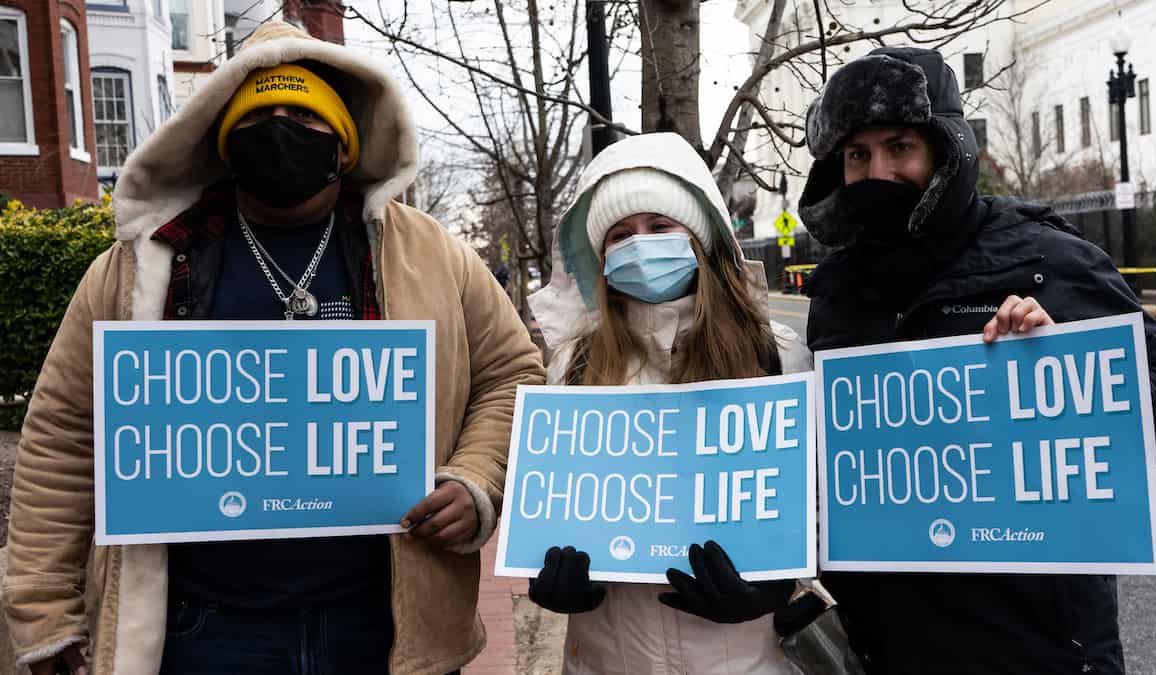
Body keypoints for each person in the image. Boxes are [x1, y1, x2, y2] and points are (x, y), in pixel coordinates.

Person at [2, 21, 544, 675]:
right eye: (260, 114)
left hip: (384, 624)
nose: (281, 128)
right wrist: (45, 614)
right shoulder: (140, 267)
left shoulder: (432, 253)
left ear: (344, 145)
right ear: (225, 141)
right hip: (202, 629)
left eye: (304, 115)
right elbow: (63, 436)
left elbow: (512, 372)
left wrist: (475, 478)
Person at [797, 46, 1156, 674]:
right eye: (858, 155)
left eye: (899, 147)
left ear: (944, 151)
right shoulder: (838, 292)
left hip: (1035, 649)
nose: (878, 170)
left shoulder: (1048, 258)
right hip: (888, 647)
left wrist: (1061, 363)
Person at [525, 131, 826, 673]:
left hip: (747, 660)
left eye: (660, 226)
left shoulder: (779, 354)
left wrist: (777, 586)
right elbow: (556, 501)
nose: (640, 244)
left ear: (700, 237)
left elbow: (820, 505)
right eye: (619, 235)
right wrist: (549, 571)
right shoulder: (573, 365)